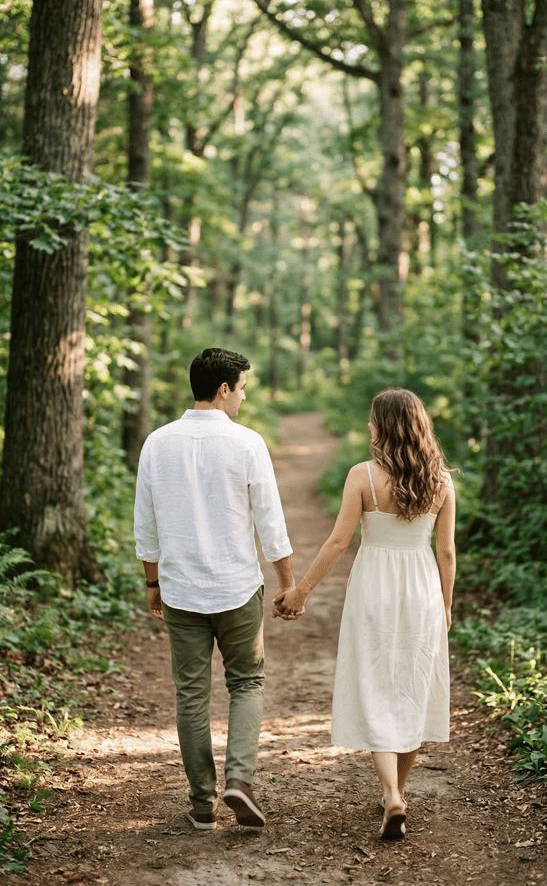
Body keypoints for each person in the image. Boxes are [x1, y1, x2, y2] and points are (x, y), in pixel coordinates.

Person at [273, 387, 456, 841]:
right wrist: (446, 607)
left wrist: (301, 591)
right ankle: (398, 793)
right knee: (412, 684)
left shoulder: (363, 476)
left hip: (374, 585)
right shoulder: (442, 482)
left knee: (376, 682)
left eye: (372, 420)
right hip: (421, 587)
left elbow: (338, 543)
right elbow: (447, 552)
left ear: (381, 427)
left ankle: (392, 794)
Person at [134, 348, 300, 832]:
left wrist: (152, 583)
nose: (244, 397)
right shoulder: (247, 444)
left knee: (190, 694)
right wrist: (289, 584)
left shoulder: (156, 444)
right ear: (224, 388)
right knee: (246, 683)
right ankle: (239, 781)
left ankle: (202, 804)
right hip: (237, 587)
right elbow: (271, 523)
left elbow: (146, 525)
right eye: (242, 387)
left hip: (181, 590)